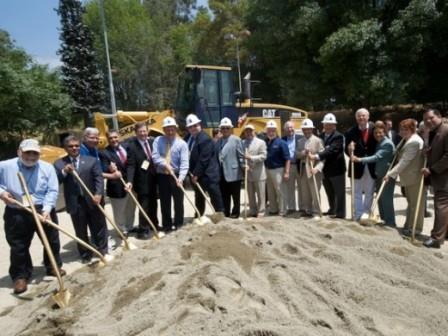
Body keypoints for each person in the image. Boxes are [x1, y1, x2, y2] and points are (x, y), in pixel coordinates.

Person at [0, 139, 65, 294]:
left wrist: (47, 209)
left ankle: (53, 267)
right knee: (18, 246)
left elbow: (52, 190)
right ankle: (20, 276)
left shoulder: (47, 167)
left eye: (34, 153)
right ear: (19, 152)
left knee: (52, 241)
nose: (30, 156)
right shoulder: (5, 166)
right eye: (27, 152)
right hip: (17, 210)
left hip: (43, 208)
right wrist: (2, 193)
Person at [54, 135, 109, 263]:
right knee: (80, 230)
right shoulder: (59, 163)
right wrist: (64, 172)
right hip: (75, 203)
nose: (74, 148)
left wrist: (99, 194)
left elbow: (99, 179)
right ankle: (85, 254)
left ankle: (103, 250)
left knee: (99, 227)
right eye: (71, 146)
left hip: (92, 199)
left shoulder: (91, 160)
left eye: (76, 146)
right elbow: (56, 180)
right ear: (65, 148)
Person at [352, 121, 396, 227]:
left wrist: (359, 159)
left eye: (380, 132)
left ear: (385, 132)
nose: (378, 135)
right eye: (376, 133)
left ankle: (390, 223)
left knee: (386, 199)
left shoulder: (387, 144)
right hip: (380, 175)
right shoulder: (380, 142)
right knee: (380, 198)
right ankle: (384, 220)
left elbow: (376, 157)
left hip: (387, 175)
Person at [385, 119, 424, 236]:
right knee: (411, 203)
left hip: (414, 177)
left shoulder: (414, 142)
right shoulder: (405, 139)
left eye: (405, 129)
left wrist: (390, 174)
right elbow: (397, 152)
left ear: (412, 129)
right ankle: (408, 226)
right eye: (401, 129)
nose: (402, 131)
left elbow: (404, 162)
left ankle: (415, 229)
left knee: (416, 204)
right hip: (408, 177)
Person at [152, 117, 189, 232]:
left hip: (176, 176)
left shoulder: (182, 144)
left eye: (172, 129)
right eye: (167, 129)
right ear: (163, 129)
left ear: (176, 129)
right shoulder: (158, 140)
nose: (170, 131)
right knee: (164, 202)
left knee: (178, 202)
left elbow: (184, 163)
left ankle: (178, 224)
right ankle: (167, 225)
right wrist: (164, 164)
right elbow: (155, 156)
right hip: (162, 176)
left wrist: (181, 178)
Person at [184, 114, 224, 216]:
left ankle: (220, 215)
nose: (193, 128)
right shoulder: (188, 138)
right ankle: (199, 215)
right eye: (190, 126)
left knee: (214, 196)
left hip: (208, 174)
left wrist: (196, 174)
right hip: (195, 174)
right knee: (199, 196)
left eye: (195, 125)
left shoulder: (205, 139)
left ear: (199, 125)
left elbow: (204, 159)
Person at [126, 122, 159, 239]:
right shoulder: (132, 146)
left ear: (148, 131)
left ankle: (154, 224)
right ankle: (143, 230)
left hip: (154, 179)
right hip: (141, 181)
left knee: (154, 203)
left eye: (144, 131)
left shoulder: (152, 142)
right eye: (140, 132)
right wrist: (129, 181)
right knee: (144, 205)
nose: (143, 134)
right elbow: (131, 165)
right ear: (136, 133)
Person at [100, 130, 136, 237]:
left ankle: (129, 227)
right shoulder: (104, 152)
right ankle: (122, 230)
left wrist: (130, 181)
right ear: (108, 139)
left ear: (119, 136)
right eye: (110, 138)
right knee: (119, 211)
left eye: (115, 137)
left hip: (129, 184)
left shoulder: (126, 147)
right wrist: (109, 168)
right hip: (116, 187)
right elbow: (103, 167)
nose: (113, 140)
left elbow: (130, 165)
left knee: (131, 207)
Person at [311, 113, 346, 219]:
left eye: (331, 124)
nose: (328, 126)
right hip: (325, 170)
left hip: (337, 169)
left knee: (339, 193)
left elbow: (331, 150)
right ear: (323, 125)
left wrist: (316, 156)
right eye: (327, 124)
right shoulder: (320, 137)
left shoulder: (338, 137)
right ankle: (332, 210)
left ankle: (340, 213)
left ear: (334, 125)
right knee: (329, 191)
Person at [422, 109, 448, 248]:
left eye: (431, 118)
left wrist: (432, 169)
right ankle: (444, 233)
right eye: (425, 119)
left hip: (444, 177)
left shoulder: (446, 130)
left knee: (441, 206)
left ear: (439, 116)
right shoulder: (434, 132)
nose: (428, 121)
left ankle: (436, 239)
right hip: (440, 176)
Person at [345, 108, 377, 220]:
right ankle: (358, 214)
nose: (361, 118)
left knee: (369, 191)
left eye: (363, 115)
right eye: (359, 116)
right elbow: (346, 151)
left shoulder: (375, 128)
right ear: (356, 118)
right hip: (356, 166)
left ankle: (366, 213)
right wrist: (349, 149)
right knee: (356, 191)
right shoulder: (350, 131)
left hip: (371, 165)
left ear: (368, 117)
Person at [217, 117, 244, 218]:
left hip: (234, 172)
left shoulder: (236, 140)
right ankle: (226, 212)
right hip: (222, 173)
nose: (225, 130)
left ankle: (236, 212)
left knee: (235, 195)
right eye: (223, 128)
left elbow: (241, 155)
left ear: (231, 129)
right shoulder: (219, 141)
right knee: (224, 195)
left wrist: (244, 168)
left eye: (227, 128)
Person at [296, 119, 324, 218]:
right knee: (305, 192)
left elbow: (322, 157)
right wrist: (303, 153)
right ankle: (307, 210)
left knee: (315, 191)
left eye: (309, 129)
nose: (306, 131)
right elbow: (297, 155)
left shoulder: (318, 140)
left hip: (314, 170)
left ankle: (317, 211)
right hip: (303, 169)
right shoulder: (300, 141)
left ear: (312, 129)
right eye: (304, 129)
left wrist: (317, 168)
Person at [264, 120, 290, 216]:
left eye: (273, 130)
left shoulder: (282, 143)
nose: (271, 132)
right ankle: (273, 209)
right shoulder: (265, 142)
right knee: (270, 191)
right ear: (266, 131)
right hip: (267, 169)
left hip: (278, 169)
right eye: (269, 130)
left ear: (276, 130)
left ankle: (283, 210)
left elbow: (287, 158)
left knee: (280, 190)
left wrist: (287, 172)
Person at [242, 124, 267, 217]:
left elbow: (263, 156)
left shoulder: (261, 142)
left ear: (254, 131)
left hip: (259, 173)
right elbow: (241, 157)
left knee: (261, 194)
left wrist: (251, 158)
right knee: (250, 194)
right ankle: (252, 210)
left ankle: (261, 211)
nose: (248, 133)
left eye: (250, 131)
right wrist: (244, 165)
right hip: (248, 173)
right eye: (247, 131)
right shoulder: (242, 142)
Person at [282, 121, 303, 215]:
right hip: (288, 166)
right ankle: (291, 207)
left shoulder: (300, 138)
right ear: (285, 130)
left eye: (291, 127)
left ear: (294, 128)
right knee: (290, 188)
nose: (290, 129)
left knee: (301, 187)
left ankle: (302, 207)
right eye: (288, 128)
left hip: (299, 165)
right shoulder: (282, 140)